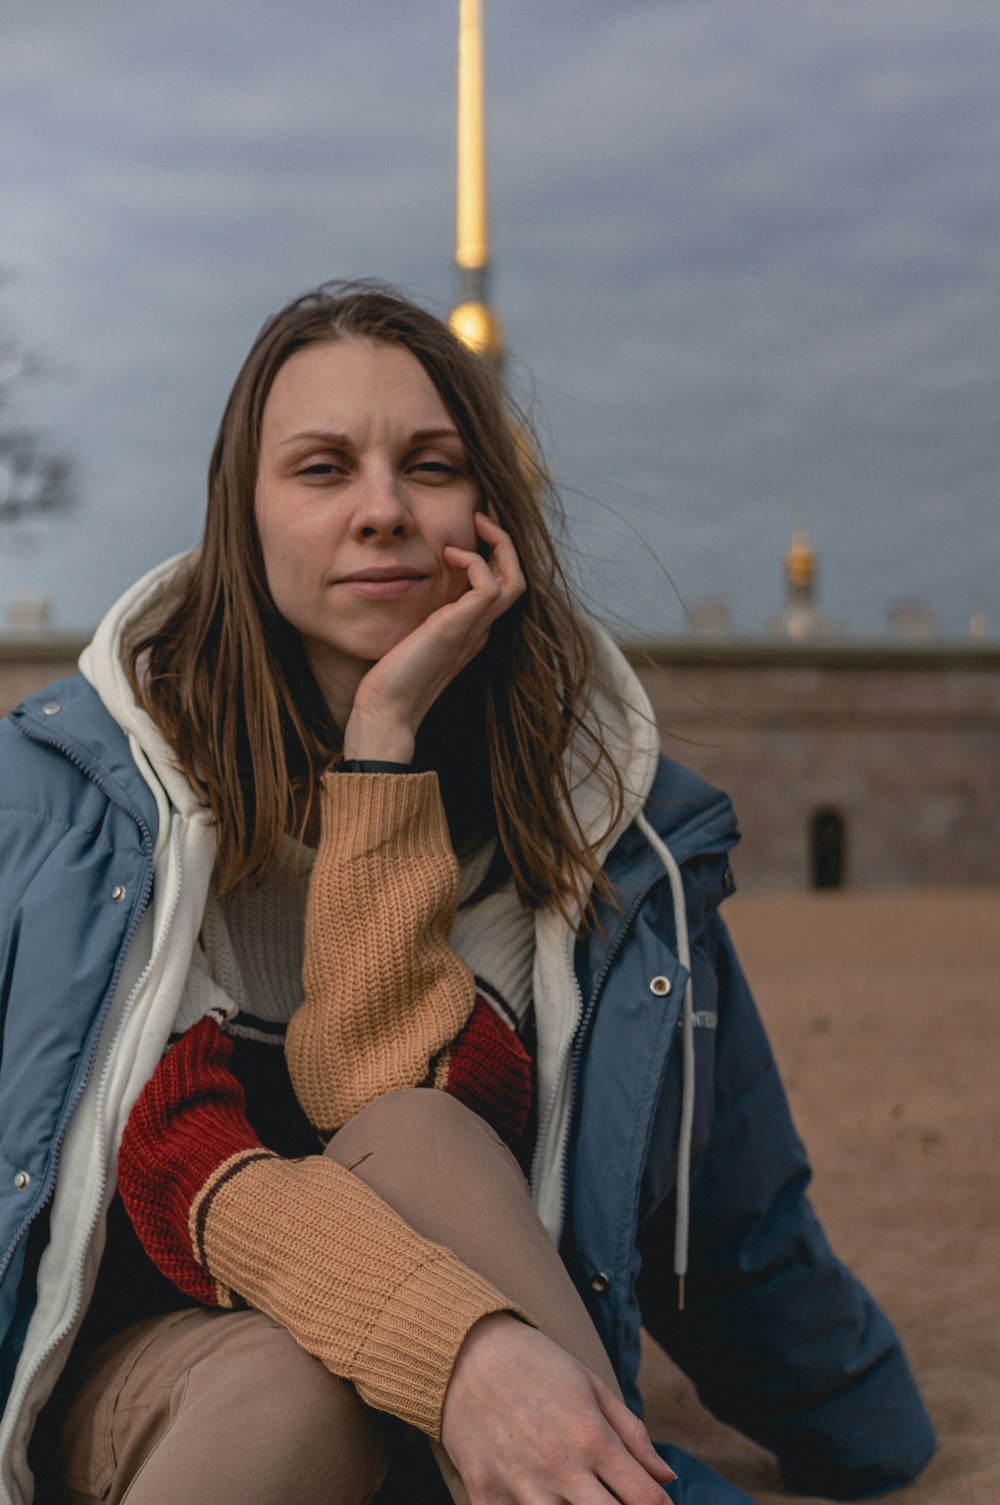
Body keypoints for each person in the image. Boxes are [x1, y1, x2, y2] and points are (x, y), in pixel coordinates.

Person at [0, 284, 934, 1505]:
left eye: (429, 465)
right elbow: (183, 1166)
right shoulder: (79, 810)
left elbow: (721, 1215)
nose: (382, 510)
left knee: (425, 1125)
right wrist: (464, 1350)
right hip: (171, 1374)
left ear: (488, 509)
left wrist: (861, 1420)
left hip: (479, 1438)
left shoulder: (607, 841)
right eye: (323, 467)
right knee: (298, 1387)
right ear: (244, 516)